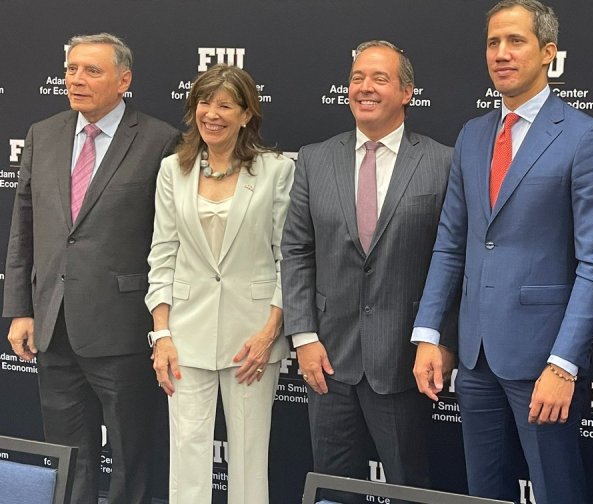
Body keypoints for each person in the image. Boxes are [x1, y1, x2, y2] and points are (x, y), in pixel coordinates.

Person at [412, 0, 593, 503]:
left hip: (543, 360)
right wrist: (427, 333)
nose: (501, 53)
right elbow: (451, 242)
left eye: (516, 41)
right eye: (493, 42)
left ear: (548, 52)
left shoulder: (586, 137)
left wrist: (564, 363)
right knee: (482, 492)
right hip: (476, 354)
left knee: (556, 490)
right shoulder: (472, 135)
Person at [3, 33, 179, 504]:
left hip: (122, 328)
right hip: (54, 324)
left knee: (132, 453)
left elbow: (170, 241)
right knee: (67, 454)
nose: (76, 79)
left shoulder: (161, 141)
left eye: (91, 71)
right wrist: (22, 309)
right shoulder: (44, 134)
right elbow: (25, 228)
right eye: (71, 69)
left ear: (124, 80)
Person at [281, 40, 455, 503]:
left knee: (409, 488)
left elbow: (452, 258)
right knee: (334, 489)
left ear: (407, 92)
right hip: (327, 360)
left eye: (379, 78)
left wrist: (437, 339)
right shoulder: (315, 159)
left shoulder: (442, 162)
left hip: (403, 361)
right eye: (357, 78)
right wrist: (303, 336)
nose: (365, 87)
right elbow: (296, 251)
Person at [146, 64, 292, 503]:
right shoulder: (174, 170)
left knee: (249, 458)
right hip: (185, 336)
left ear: (246, 114)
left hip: (252, 339)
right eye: (204, 103)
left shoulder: (275, 171)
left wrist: (269, 333)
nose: (213, 113)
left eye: (226, 104)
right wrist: (163, 334)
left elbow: (289, 258)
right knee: (186, 456)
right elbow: (163, 254)